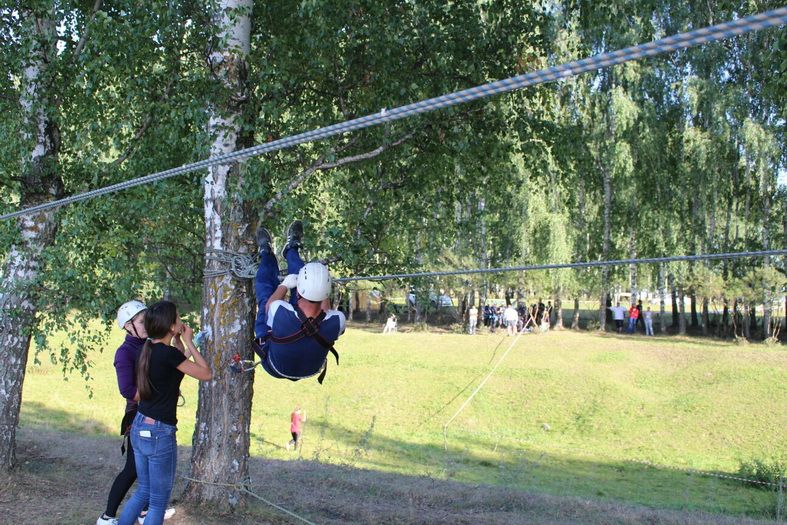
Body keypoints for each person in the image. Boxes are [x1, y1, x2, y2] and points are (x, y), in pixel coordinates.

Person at [117, 301, 212, 525]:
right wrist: (189, 341)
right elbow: (206, 373)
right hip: (158, 431)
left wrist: (179, 339)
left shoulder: (148, 349)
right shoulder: (168, 355)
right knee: (158, 502)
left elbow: (175, 359)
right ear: (170, 326)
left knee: (143, 492)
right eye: (178, 318)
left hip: (140, 426)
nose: (181, 321)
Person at [97, 301, 175, 525]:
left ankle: (144, 512)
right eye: (142, 322)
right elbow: (128, 391)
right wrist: (157, 389)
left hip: (154, 413)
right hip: (138, 416)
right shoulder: (125, 352)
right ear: (128, 327)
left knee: (146, 469)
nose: (147, 325)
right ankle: (108, 516)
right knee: (132, 469)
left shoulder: (150, 344)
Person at [254, 220, 346, 383]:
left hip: (274, 366)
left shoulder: (280, 311)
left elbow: (270, 305)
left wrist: (284, 285)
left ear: (298, 294)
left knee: (265, 295)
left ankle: (266, 254)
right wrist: (316, 285)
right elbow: (325, 311)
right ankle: (290, 248)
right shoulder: (338, 320)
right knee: (302, 277)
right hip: (310, 369)